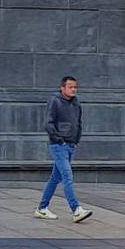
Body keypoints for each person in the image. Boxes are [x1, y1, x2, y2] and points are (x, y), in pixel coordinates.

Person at [37, 75, 92, 222]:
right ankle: (76, 209)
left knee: (55, 178)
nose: (73, 89)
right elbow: (48, 123)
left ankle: (42, 208)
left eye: (75, 87)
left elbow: (78, 122)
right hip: (59, 145)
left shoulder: (76, 103)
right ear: (63, 88)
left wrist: (75, 140)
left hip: (70, 145)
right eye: (70, 87)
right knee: (67, 176)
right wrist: (59, 140)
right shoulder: (55, 101)